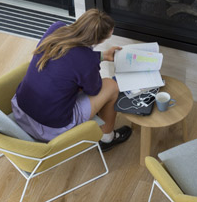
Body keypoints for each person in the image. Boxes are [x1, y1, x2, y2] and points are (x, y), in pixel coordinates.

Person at [12, 8, 132, 151]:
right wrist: (92, 65)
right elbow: (94, 90)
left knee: (71, 81)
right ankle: (107, 138)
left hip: (20, 111)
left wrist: (101, 56)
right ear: (98, 40)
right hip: (49, 129)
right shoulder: (86, 61)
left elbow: (69, 60)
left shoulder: (56, 28)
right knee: (111, 87)